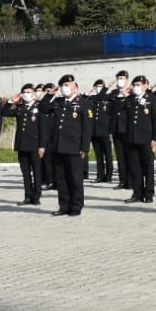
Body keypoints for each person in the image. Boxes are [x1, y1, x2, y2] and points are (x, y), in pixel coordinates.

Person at [42, 73, 91, 215]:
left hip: (75, 147)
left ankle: (76, 207)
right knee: (61, 179)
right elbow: (43, 108)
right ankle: (63, 206)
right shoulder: (58, 102)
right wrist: (49, 94)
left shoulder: (83, 103)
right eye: (63, 85)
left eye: (67, 85)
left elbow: (87, 128)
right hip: (58, 147)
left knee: (75, 179)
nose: (65, 88)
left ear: (75, 86)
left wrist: (84, 147)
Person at [3, 85, 46, 205]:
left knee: (37, 172)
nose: (26, 94)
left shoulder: (40, 107)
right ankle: (28, 196)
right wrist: (11, 101)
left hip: (35, 145)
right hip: (22, 145)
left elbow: (43, 129)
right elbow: (4, 112)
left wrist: (42, 146)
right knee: (26, 173)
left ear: (34, 94)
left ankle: (36, 197)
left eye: (29, 92)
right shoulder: (20, 108)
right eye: (24, 92)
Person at [121, 75, 156, 203]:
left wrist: (155, 139)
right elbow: (115, 110)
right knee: (135, 168)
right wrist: (122, 95)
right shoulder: (129, 100)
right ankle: (137, 193)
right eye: (135, 85)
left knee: (148, 168)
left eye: (138, 85)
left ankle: (149, 194)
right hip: (132, 139)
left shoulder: (152, 99)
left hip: (147, 139)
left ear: (145, 86)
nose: (136, 87)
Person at [87, 79, 114, 184]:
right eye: (97, 86)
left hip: (105, 130)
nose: (98, 88)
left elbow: (111, 116)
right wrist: (89, 92)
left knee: (108, 154)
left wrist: (106, 89)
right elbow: (84, 99)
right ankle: (100, 175)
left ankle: (109, 175)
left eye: (100, 86)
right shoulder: (92, 98)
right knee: (98, 156)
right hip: (94, 131)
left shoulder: (108, 98)